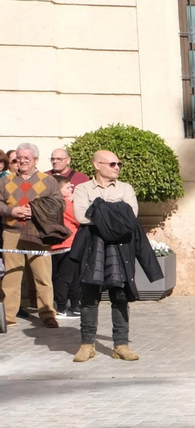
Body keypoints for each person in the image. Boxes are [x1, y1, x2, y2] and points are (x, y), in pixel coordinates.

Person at [69, 151, 146, 360]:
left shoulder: (126, 188)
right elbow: (81, 216)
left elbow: (131, 216)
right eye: (112, 164)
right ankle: (87, 345)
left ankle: (121, 345)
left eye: (119, 163)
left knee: (120, 295)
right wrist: (116, 211)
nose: (117, 167)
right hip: (92, 245)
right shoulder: (83, 188)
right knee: (89, 295)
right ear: (97, 165)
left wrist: (99, 210)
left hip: (120, 246)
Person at [1, 143, 63, 330]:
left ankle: (47, 314)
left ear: (35, 160)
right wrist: (12, 211)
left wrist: (35, 211)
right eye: (18, 158)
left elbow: (59, 204)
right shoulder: (5, 181)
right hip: (12, 232)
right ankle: (9, 316)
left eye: (26, 158)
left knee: (42, 276)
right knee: (11, 276)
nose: (22, 161)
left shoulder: (48, 181)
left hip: (38, 233)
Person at [47, 148, 89, 317]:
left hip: (54, 245)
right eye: (68, 187)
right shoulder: (67, 204)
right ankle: (64, 307)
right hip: (69, 244)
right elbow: (80, 219)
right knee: (68, 277)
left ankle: (65, 305)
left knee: (59, 276)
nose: (72, 189)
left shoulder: (50, 203)